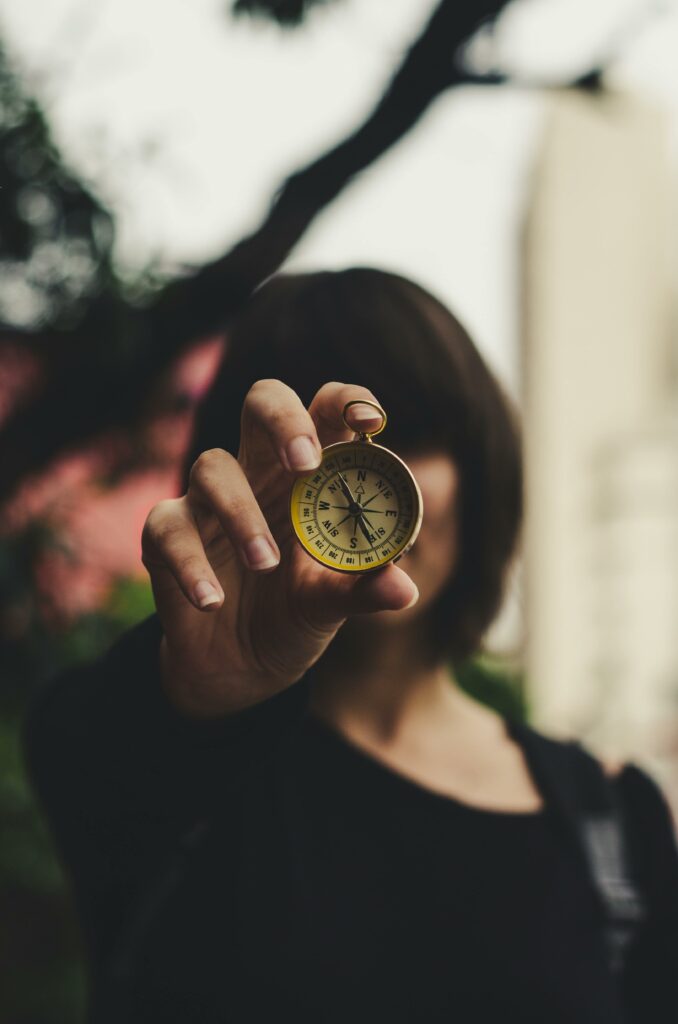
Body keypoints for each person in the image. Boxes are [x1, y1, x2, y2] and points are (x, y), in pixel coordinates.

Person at [24, 268, 678, 1023]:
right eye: (309, 455)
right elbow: (79, 752)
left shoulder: (611, 825)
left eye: (414, 435)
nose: (352, 477)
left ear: (480, 466)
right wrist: (196, 687)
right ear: (240, 481)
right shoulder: (160, 762)